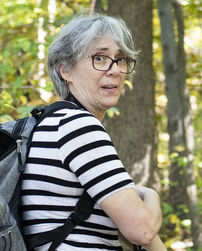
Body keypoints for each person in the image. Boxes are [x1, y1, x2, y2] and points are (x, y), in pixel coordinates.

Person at [20, 14, 166, 250]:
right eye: (100, 58)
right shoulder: (77, 126)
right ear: (65, 69)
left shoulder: (52, 123)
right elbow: (143, 230)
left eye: (120, 59)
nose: (115, 70)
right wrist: (151, 195)